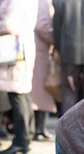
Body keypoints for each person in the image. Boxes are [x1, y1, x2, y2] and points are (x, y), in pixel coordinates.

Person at [0, 0, 38, 154]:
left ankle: (21, 141)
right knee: (23, 94)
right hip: (21, 48)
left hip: (15, 51)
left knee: (18, 95)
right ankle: (25, 137)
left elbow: (10, 25)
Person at [31, 0, 57, 141]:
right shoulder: (43, 2)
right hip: (40, 50)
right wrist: (57, 38)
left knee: (38, 93)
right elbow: (42, 26)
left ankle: (38, 128)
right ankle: (38, 129)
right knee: (40, 93)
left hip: (39, 50)